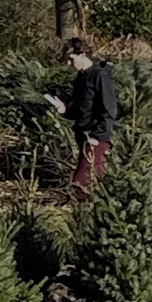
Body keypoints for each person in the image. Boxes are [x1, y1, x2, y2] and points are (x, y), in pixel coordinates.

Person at [44, 34, 119, 191]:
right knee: (92, 182)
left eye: (71, 59)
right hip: (83, 136)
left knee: (81, 183)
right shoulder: (80, 78)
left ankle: (83, 211)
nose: (70, 63)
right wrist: (65, 110)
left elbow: (109, 109)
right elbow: (81, 110)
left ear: (83, 54)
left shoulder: (100, 75)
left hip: (96, 139)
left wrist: (97, 137)